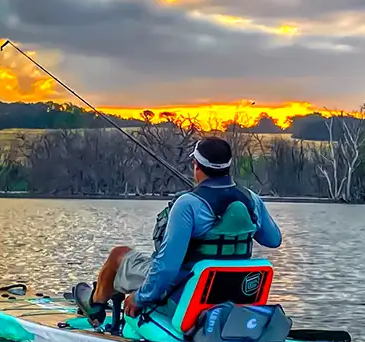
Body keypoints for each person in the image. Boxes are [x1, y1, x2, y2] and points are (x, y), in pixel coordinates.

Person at [75, 136, 282, 326]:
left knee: (118, 255)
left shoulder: (188, 204)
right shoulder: (251, 199)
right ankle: (104, 300)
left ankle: (95, 306)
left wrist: (140, 298)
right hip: (232, 295)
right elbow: (274, 240)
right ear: (228, 166)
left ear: (196, 166)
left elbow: (166, 268)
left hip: (183, 294)